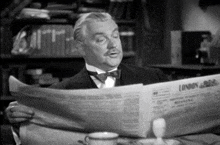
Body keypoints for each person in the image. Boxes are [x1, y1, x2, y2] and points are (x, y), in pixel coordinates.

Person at [5, 12, 220, 145]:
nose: (113, 45)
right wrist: (18, 121)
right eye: (101, 39)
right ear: (81, 47)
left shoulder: (153, 77)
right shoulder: (61, 92)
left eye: (115, 35)